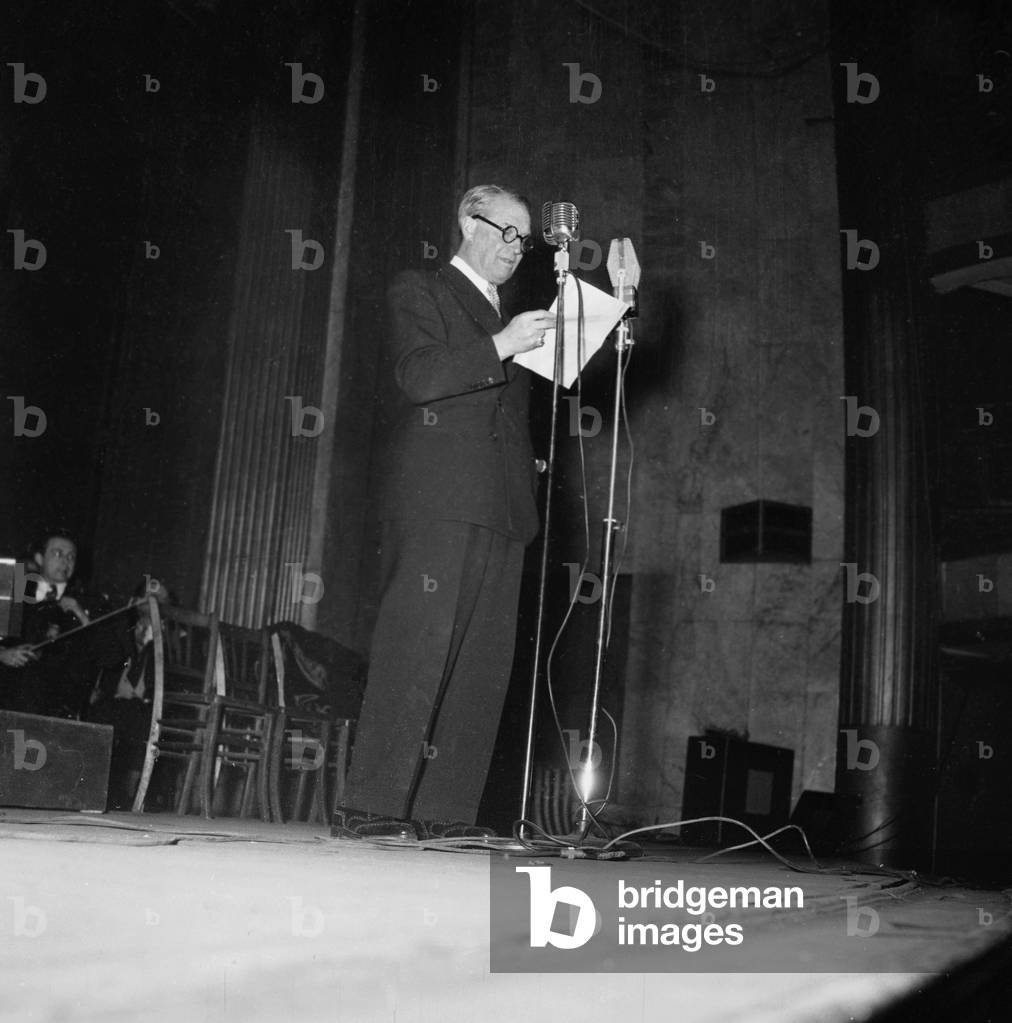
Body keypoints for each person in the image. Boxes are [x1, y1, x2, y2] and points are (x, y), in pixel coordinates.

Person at [335, 184, 555, 839]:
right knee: (417, 647)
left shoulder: (508, 316)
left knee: (482, 665)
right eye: (506, 231)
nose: (516, 248)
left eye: (525, 239)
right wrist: (503, 344)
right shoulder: (421, 289)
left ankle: (447, 812)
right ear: (467, 221)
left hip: (504, 507)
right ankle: (370, 804)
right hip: (439, 500)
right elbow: (421, 375)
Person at [0, 530, 105, 717]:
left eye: (71, 557)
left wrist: (80, 614)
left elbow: (108, 655)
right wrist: (3, 654)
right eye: (58, 554)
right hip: (11, 697)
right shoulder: (16, 591)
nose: (65, 561)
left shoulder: (86, 601)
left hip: (59, 706)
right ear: (40, 559)